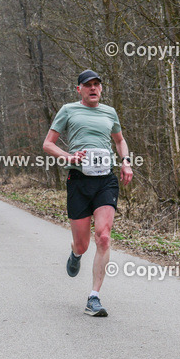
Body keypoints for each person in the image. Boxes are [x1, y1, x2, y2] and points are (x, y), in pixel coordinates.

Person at [42, 70, 133, 317]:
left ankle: (94, 297)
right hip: (79, 180)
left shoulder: (109, 112)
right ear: (79, 89)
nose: (93, 88)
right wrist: (68, 156)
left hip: (105, 180)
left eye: (97, 85)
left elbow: (120, 140)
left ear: (101, 89)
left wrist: (125, 162)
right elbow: (48, 144)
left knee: (103, 237)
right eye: (88, 85)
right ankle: (75, 253)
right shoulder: (68, 110)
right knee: (82, 245)